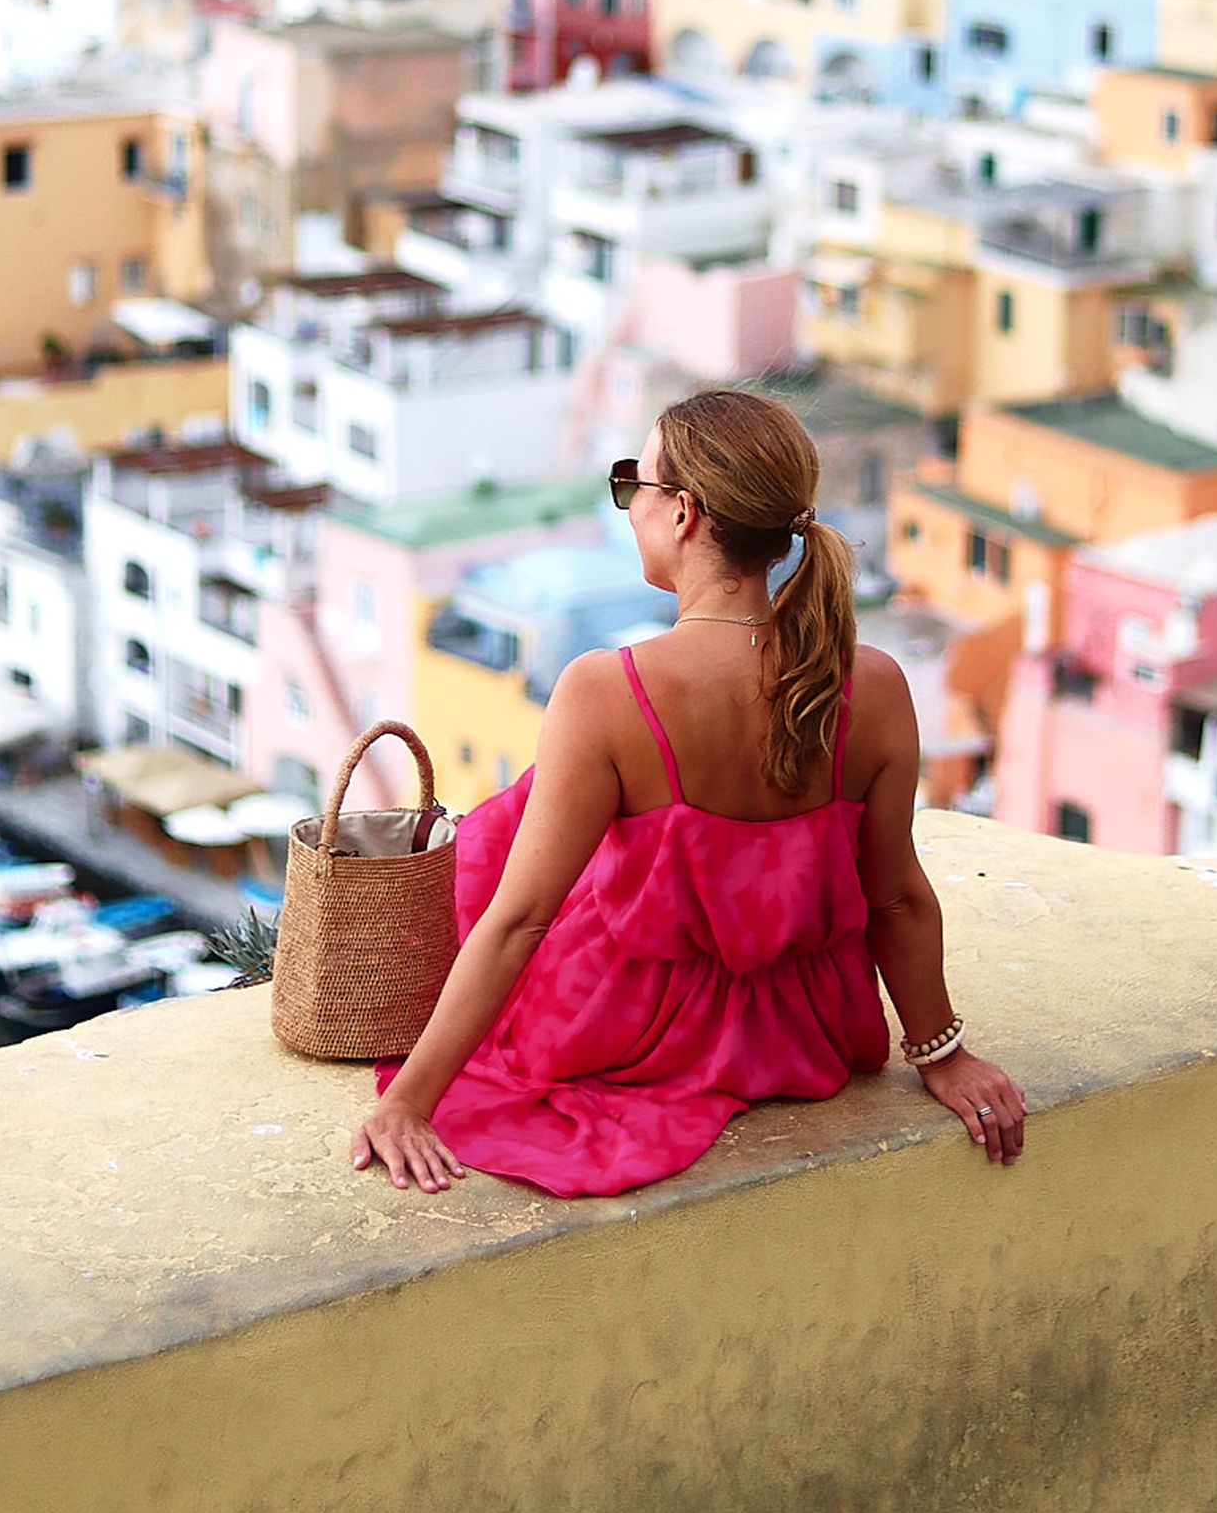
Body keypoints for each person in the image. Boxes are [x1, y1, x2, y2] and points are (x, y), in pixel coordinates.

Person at [352, 387, 1026, 1197]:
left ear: (683, 514)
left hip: (627, 1033)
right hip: (805, 1036)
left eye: (634, 483)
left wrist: (412, 1102)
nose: (629, 504)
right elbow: (897, 900)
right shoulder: (873, 685)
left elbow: (522, 919)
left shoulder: (607, 691)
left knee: (510, 832)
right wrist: (940, 1055)